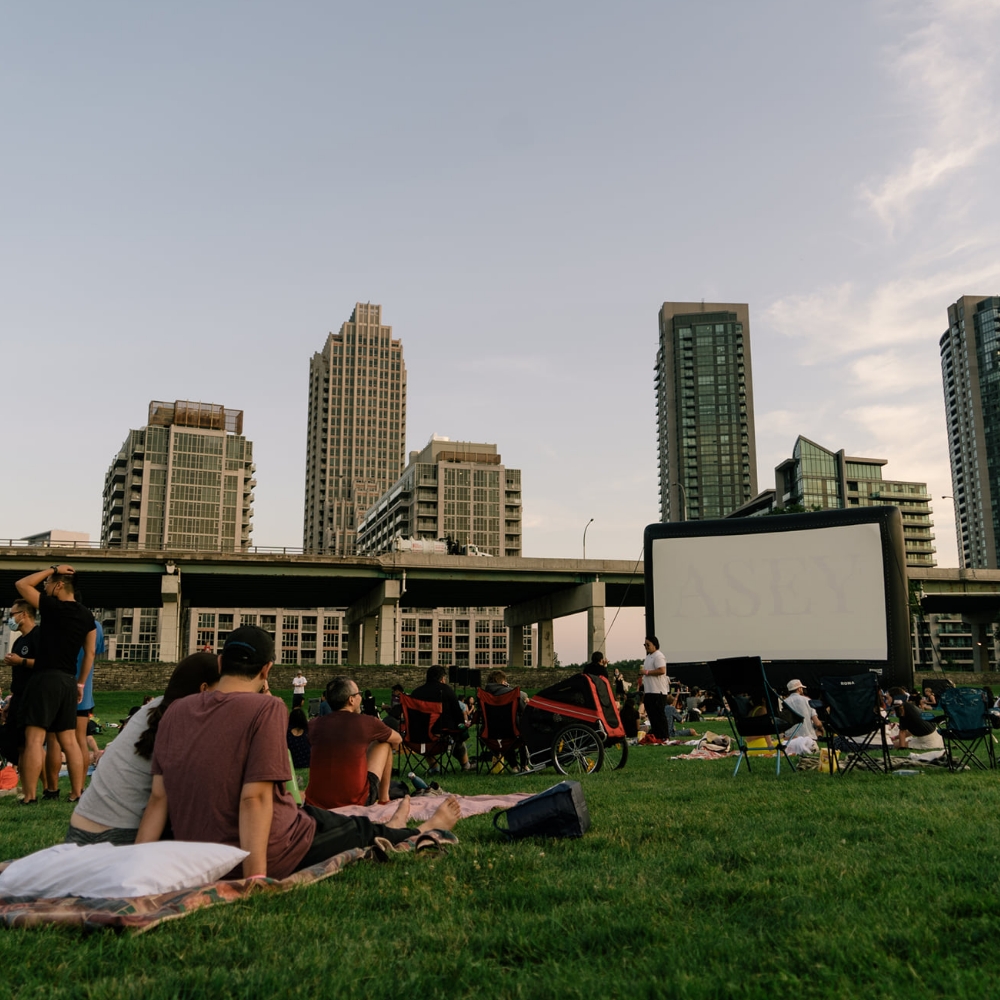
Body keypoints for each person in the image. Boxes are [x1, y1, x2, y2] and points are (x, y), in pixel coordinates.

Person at [137, 626, 461, 879]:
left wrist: (134, 867)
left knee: (327, 818)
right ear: (267, 670)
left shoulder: (177, 711)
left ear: (221, 663)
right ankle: (420, 830)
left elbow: (158, 800)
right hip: (275, 848)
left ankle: (395, 823)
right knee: (358, 831)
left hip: (202, 854)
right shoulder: (266, 708)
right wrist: (256, 880)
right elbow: (256, 799)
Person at [66, 653, 221, 845]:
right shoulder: (185, 719)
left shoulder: (154, 708)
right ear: (204, 688)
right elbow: (165, 797)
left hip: (80, 826)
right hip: (117, 836)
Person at [14, 566, 95, 803]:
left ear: (59, 585)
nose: (45, 586)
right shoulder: (86, 615)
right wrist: (80, 684)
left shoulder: (52, 607)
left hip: (45, 678)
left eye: (48, 582)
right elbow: (89, 653)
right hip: (69, 681)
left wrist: (53, 568)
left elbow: (21, 584)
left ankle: (29, 796)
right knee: (68, 740)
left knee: (34, 739)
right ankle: (77, 793)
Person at [304, 676, 402, 809]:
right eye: (358, 694)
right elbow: (397, 739)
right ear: (351, 699)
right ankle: (384, 799)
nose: (360, 697)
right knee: (384, 743)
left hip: (317, 802)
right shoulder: (367, 723)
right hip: (355, 800)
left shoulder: (314, 725)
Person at [410, 666, 471, 772]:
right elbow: (457, 713)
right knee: (457, 732)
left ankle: (434, 768)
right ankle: (465, 765)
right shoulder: (446, 690)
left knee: (426, 730)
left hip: (416, 738)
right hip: (440, 737)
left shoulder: (416, 693)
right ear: (442, 678)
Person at [890, 687, 944, 752]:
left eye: (887, 698)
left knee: (892, 745)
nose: (886, 700)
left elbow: (902, 732)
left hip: (928, 742)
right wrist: (895, 738)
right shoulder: (908, 706)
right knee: (895, 743)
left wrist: (902, 748)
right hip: (936, 737)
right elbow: (913, 730)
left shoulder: (903, 710)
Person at [639, 637, 670, 741]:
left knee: (659, 714)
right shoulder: (648, 657)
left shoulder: (659, 656)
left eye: (648, 645)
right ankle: (656, 734)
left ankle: (664, 735)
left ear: (654, 645)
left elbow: (662, 670)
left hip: (658, 691)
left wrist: (647, 672)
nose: (646, 647)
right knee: (651, 714)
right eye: (645, 645)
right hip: (649, 690)